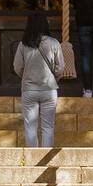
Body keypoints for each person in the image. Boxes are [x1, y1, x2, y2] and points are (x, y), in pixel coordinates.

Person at [13, 11, 65, 147]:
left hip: (29, 90)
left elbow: (17, 67)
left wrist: (26, 77)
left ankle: (32, 158)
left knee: (30, 127)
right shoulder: (54, 43)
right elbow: (60, 69)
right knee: (48, 127)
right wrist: (55, 78)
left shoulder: (23, 44)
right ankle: (44, 158)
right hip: (49, 89)